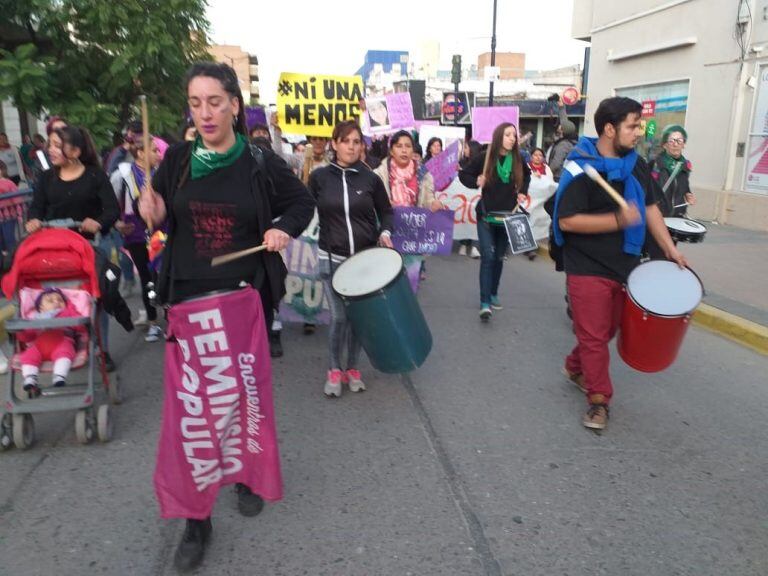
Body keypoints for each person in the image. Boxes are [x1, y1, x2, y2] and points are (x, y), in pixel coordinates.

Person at [139, 61, 314, 572]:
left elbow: (300, 203)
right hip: (189, 301)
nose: (205, 113)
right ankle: (197, 520)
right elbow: (163, 214)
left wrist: (282, 228)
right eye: (195, 104)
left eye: (214, 101)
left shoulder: (260, 160)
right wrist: (151, 209)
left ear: (235, 105)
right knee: (195, 412)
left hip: (244, 300)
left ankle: (246, 475)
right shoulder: (178, 161)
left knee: (243, 397)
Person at [551, 96, 688, 432]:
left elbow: (652, 208)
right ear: (609, 129)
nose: (638, 132)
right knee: (596, 336)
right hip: (585, 265)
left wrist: (669, 248)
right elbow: (567, 221)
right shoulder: (582, 166)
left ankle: (573, 366)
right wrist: (617, 219)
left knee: (606, 330)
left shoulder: (636, 165)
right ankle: (599, 400)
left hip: (624, 263)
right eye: (632, 125)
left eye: (638, 125)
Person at [309, 120, 393, 398]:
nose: (351, 146)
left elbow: (386, 211)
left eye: (357, 142)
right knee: (340, 316)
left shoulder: (371, 179)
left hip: (363, 261)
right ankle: (334, 368)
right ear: (334, 144)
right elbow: (303, 208)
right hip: (330, 257)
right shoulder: (320, 177)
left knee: (358, 318)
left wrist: (385, 231)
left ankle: (353, 368)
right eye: (346, 141)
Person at [26, 125, 120, 371]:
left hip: (87, 247)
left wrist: (97, 222)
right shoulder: (46, 179)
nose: (51, 149)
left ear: (76, 151)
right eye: (50, 144)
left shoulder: (95, 176)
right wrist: (33, 220)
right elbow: (36, 208)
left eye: (58, 145)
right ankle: (49, 343)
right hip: (52, 250)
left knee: (100, 292)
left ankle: (103, 349)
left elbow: (112, 210)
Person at [459, 123, 531, 320]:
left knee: (499, 256)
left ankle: (493, 293)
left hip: (508, 216)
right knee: (488, 256)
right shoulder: (485, 157)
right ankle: (484, 302)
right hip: (486, 215)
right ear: (499, 136)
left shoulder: (517, 159)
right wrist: (476, 181)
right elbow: (463, 173)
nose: (512, 138)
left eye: (514, 136)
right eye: (508, 135)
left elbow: (527, 176)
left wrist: (523, 192)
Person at [111, 136, 162, 342]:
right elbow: (110, 204)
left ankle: (171, 317)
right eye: (153, 150)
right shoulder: (122, 176)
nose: (158, 154)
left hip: (160, 232)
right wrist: (117, 223)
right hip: (136, 233)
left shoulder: (160, 174)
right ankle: (152, 321)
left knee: (162, 275)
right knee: (147, 278)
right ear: (140, 152)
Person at [18, 288, 85, 398]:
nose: (56, 302)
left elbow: (81, 327)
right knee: (28, 355)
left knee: (65, 353)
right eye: (50, 300)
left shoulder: (67, 312)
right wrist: (21, 332)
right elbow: (27, 337)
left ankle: (59, 376)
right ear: (41, 307)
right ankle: (30, 377)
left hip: (62, 341)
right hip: (39, 346)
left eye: (60, 300)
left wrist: (70, 308)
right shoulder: (35, 318)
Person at [650, 125, 695, 217]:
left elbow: (684, 185)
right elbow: (648, 189)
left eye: (679, 141)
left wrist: (688, 194)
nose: (676, 144)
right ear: (664, 145)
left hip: (678, 215)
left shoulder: (684, 165)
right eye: (671, 141)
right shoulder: (655, 164)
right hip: (658, 216)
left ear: (684, 144)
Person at [525, 147, 556, 261]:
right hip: (528, 202)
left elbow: (550, 184)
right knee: (529, 221)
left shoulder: (547, 169)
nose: (538, 157)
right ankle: (529, 247)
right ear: (531, 156)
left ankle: (532, 245)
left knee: (537, 222)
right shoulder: (527, 167)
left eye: (540, 155)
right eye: (535, 155)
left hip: (541, 202)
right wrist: (533, 176)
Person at [546, 99, 578, 182]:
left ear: (563, 131)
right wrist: (561, 107)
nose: (559, 125)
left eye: (561, 126)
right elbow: (565, 122)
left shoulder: (563, 144)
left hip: (558, 178)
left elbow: (556, 163)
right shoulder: (571, 140)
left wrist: (546, 173)